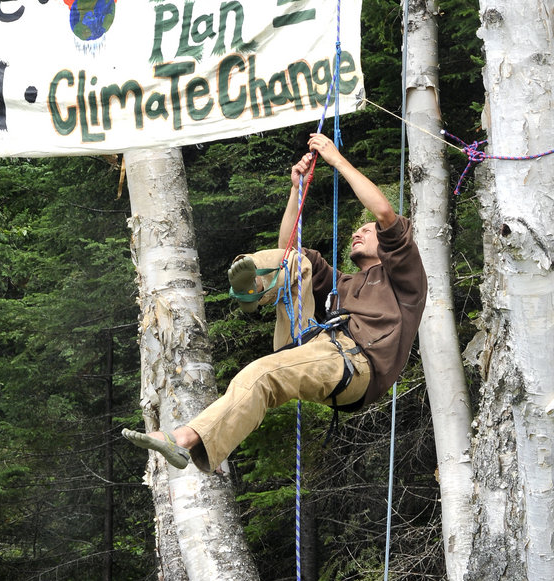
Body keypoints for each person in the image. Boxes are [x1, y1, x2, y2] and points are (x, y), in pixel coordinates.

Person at [122, 133, 427, 473]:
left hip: (355, 365)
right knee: (295, 262)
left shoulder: (404, 278)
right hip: (314, 342)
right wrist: (297, 188)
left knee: (261, 373)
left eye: (367, 231)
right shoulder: (344, 284)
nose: (359, 233)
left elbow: (384, 211)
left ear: (386, 245)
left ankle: (183, 439)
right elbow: (288, 251)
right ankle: (254, 286)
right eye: (358, 231)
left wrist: (336, 159)